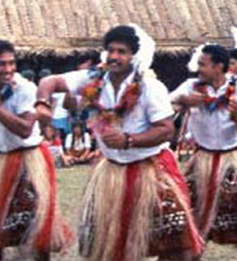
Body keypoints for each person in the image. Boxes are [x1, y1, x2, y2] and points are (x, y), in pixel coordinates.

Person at [36, 25, 203, 260]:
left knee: (176, 243)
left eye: (122, 51)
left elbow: (166, 131)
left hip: (151, 168)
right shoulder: (91, 79)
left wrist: (129, 140)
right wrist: (42, 103)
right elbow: (50, 82)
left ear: (133, 56)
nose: (115, 56)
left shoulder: (150, 88)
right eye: (111, 50)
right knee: (108, 244)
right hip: (111, 171)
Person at [171, 44, 237, 260]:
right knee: (191, 215)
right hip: (202, 158)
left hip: (232, 158)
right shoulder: (190, 86)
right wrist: (183, 101)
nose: (198, 69)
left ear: (219, 66)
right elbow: (167, 106)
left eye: (202, 65)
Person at [0, 40, 72, 260]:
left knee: (34, 228)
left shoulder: (25, 89)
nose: (9, 69)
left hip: (29, 161)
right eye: (2, 64)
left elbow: (24, 129)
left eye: (12, 63)